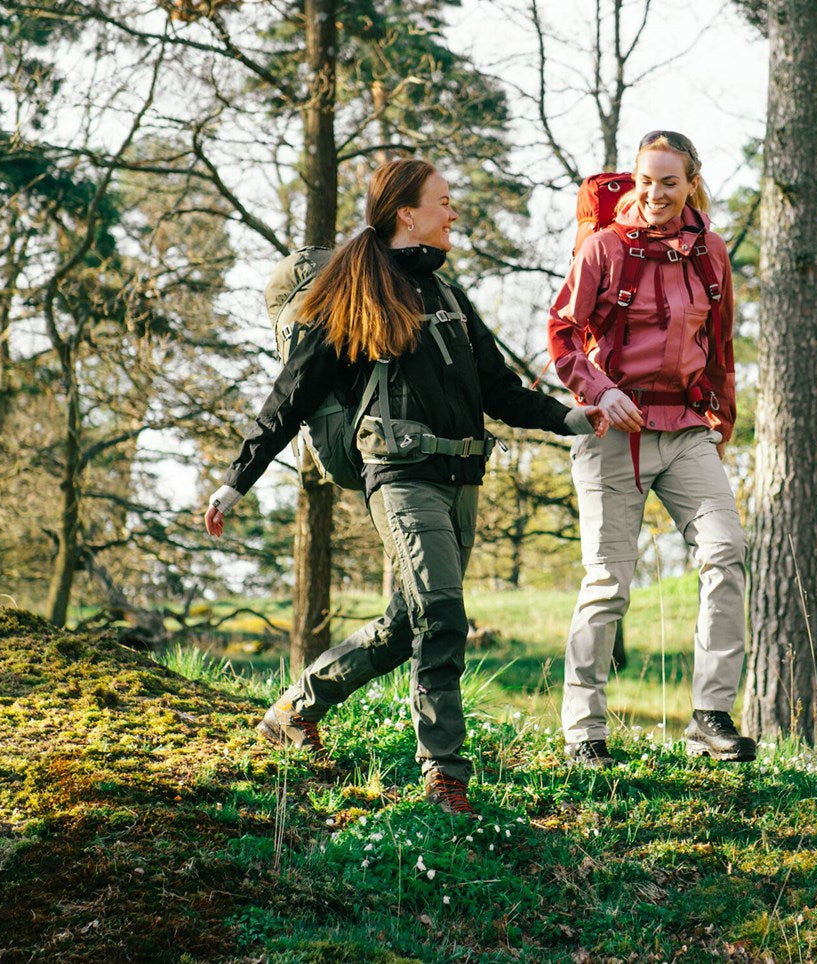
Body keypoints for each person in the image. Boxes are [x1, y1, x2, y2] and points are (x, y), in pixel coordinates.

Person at [205, 158, 607, 815]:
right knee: (442, 614)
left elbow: (500, 390)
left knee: (407, 623)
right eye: (444, 202)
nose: (454, 213)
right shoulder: (358, 293)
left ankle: (294, 709)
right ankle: (445, 775)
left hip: (461, 475)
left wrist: (570, 419)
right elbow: (294, 391)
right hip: (400, 475)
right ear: (407, 214)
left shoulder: (449, 296)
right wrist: (236, 481)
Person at [548, 130, 757, 767]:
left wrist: (724, 412)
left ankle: (710, 716)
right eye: (646, 180)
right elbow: (561, 336)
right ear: (634, 181)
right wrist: (599, 390)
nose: (657, 193)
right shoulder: (604, 249)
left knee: (727, 550)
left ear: (692, 182)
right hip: (616, 431)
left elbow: (719, 344)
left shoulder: (711, 253)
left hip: (687, 426)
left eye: (670, 181)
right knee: (609, 581)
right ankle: (584, 732)